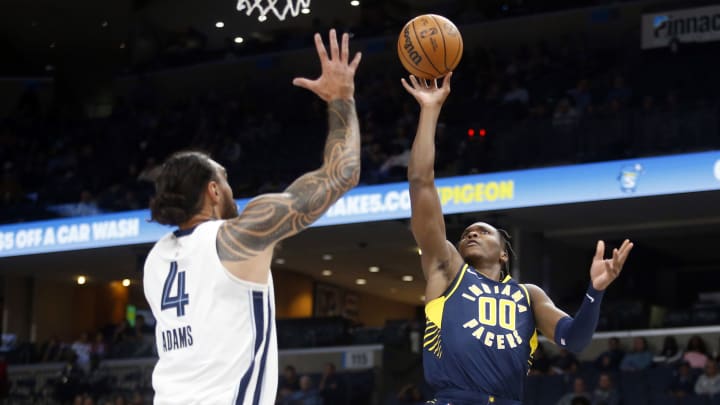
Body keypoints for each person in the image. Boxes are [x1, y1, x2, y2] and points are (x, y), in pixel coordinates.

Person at [143, 29, 362, 404]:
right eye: (225, 180)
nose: (231, 188)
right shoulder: (236, 237)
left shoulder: (155, 259)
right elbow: (343, 174)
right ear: (213, 190)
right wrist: (342, 98)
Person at [400, 72, 633, 405]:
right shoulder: (448, 270)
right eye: (467, 232)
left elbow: (574, 341)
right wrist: (430, 111)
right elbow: (421, 182)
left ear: (504, 254)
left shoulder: (529, 296)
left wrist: (595, 291)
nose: (471, 233)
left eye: (483, 230)